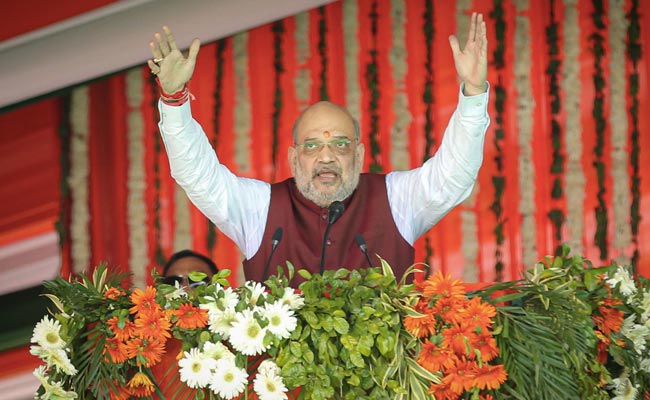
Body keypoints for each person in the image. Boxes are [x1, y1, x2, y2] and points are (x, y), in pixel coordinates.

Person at [148, 12, 489, 283]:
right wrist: (174, 100)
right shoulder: (259, 209)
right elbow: (198, 175)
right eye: (312, 146)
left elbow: (453, 175)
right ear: (293, 157)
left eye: (340, 144)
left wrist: (474, 94)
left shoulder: (396, 199)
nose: (327, 156)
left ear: (359, 154)